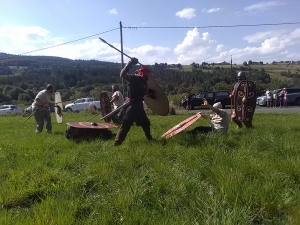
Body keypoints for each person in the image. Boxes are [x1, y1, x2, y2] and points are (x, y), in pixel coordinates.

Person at [114, 57, 153, 146]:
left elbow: (144, 93)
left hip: (139, 105)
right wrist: (130, 63)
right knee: (126, 125)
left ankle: (149, 139)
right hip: (131, 106)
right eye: (148, 73)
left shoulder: (144, 83)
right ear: (144, 73)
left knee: (146, 123)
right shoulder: (134, 79)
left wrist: (152, 94)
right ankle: (117, 143)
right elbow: (122, 74)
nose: (149, 75)